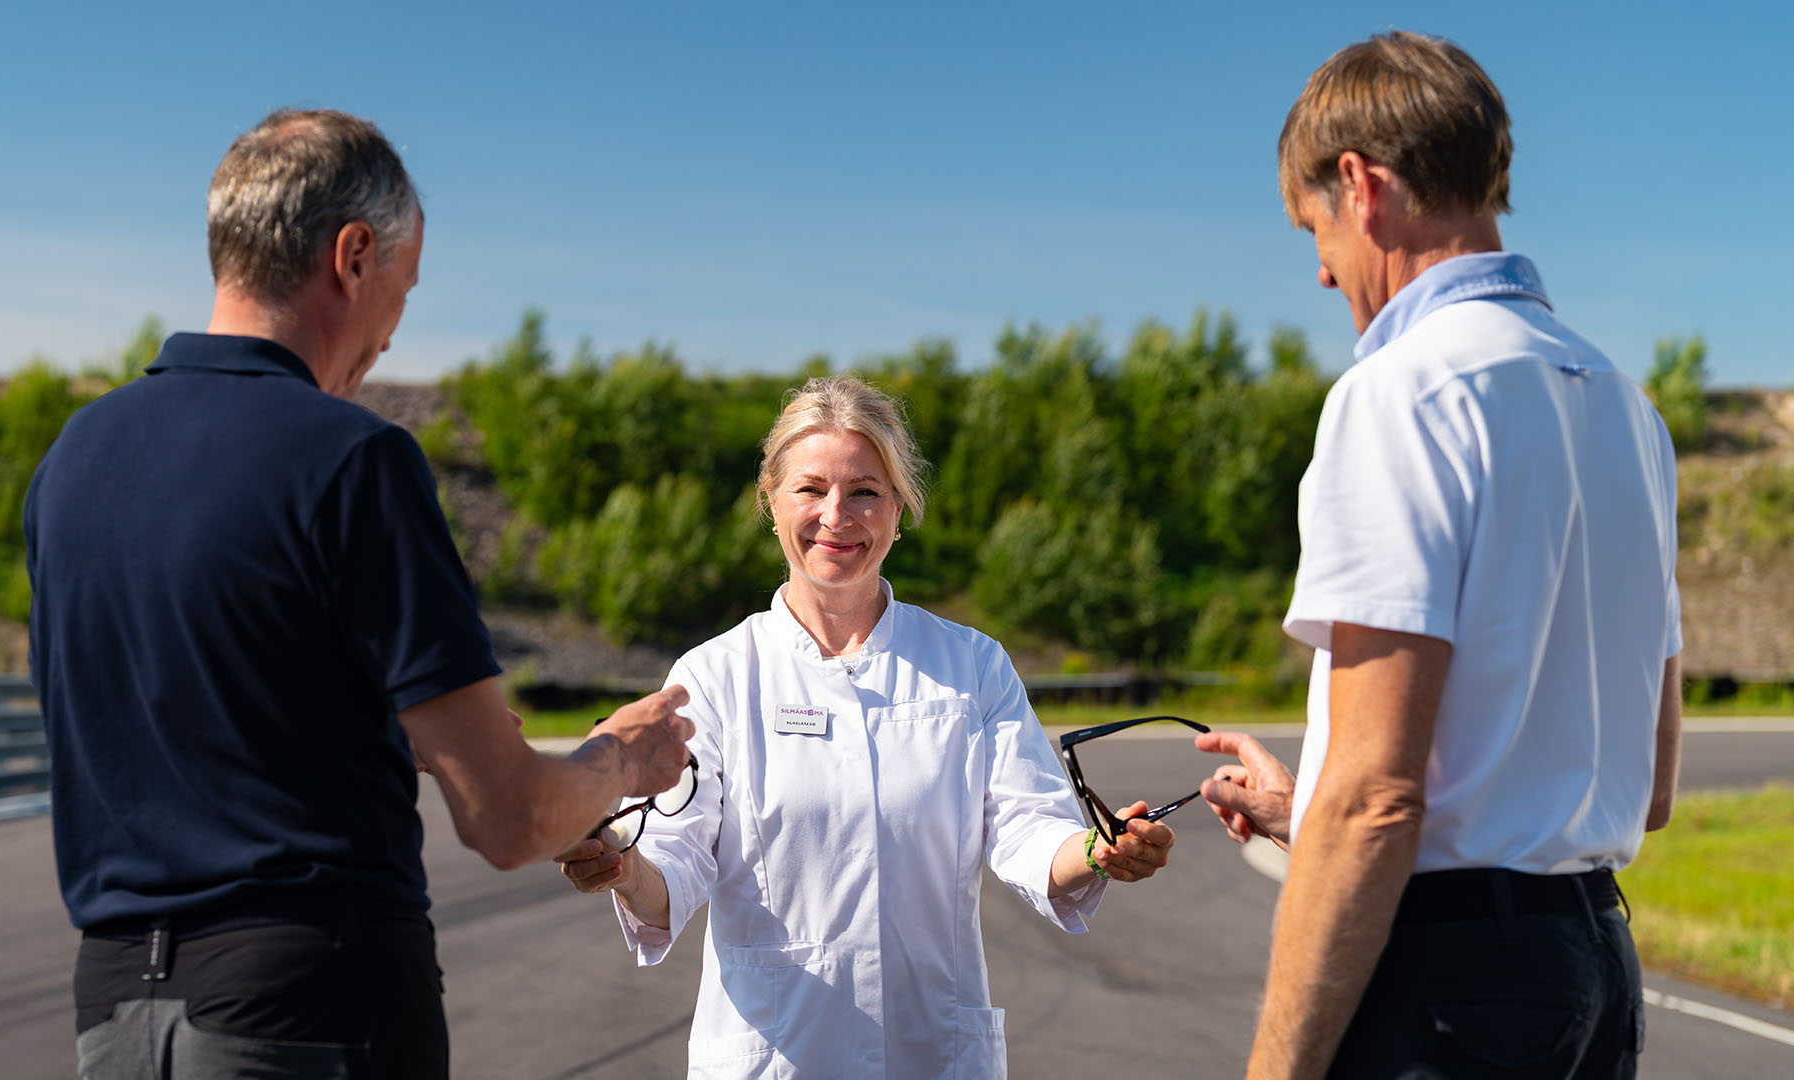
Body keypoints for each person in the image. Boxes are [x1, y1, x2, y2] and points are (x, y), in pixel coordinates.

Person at [24, 108, 693, 1079]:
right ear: (353, 255)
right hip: (309, 1006)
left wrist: (376, 731)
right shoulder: (351, 460)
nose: (389, 336)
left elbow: (174, 729)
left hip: (119, 1011)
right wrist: (620, 761)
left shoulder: (74, 460)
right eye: (403, 290)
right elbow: (506, 821)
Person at [1193, 31, 1684, 1079]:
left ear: (1363, 188)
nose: (1321, 272)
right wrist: (1306, 805)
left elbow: (1377, 799)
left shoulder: (1399, 393)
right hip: (1595, 961)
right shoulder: (1629, 410)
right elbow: (1649, 784)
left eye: (1312, 227)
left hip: (1452, 988)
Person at [556, 376, 1175, 1078]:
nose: (836, 516)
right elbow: (675, 857)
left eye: (865, 492)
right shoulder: (716, 674)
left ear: (901, 508)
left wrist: (1098, 849)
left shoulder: (971, 664)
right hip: (774, 1056)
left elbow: (1030, 829)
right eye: (810, 489)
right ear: (771, 501)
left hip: (930, 1050)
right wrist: (620, 864)